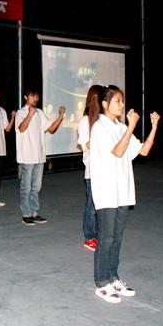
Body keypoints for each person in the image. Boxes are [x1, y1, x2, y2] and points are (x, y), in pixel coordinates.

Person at [89, 85, 159, 303]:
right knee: (106, 238)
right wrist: (132, 126)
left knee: (117, 238)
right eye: (117, 101)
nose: (122, 105)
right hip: (107, 191)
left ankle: (113, 277)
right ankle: (102, 282)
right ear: (105, 104)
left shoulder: (121, 127)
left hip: (123, 191)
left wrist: (154, 126)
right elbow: (118, 151)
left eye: (122, 101)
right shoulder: (99, 127)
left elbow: (143, 150)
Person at [15, 87, 65, 226]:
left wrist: (61, 116)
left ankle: (34, 213)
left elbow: (51, 129)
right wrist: (29, 115)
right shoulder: (21, 112)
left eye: (37, 96)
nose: (36, 99)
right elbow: (21, 128)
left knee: (36, 187)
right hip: (26, 156)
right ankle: (26, 214)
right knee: (26, 187)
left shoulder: (40, 113)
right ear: (26, 97)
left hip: (39, 156)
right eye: (33, 96)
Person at [77, 85, 102, 251]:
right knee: (92, 206)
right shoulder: (85, 121)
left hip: (107, 170)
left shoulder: (104, 120)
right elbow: (85, 145)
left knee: (103, 206)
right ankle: (90, 236)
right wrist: (99, 136)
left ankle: (101, 234)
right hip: (93, 171)